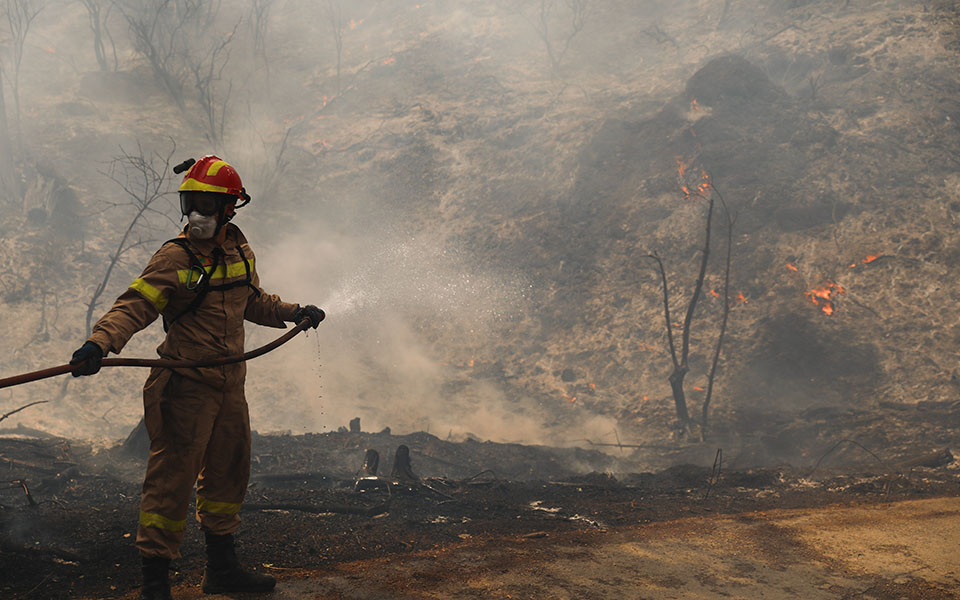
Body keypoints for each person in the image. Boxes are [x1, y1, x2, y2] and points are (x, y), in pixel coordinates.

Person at [70, 155, 324, 600]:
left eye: (207, 204)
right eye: (191, 203)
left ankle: (221, 570)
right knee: (172, 481)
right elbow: (136, 304)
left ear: (230, 208)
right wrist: (99, 343)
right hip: (186, 386)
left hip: (230, 384)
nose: (196, 214)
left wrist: (294, 312)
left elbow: (252, 301)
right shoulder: (175, 256)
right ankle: (155, 584)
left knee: (229, 474)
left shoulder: (239, 251)